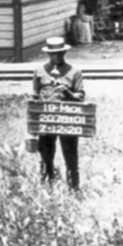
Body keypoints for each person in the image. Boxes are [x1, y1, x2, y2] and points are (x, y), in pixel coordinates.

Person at [32, 36, 85, 190]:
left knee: (70, 156)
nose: (57, 57)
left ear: (64, 53)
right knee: (46, 156)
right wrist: (33, 126)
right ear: (48, 54)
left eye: (60, 53)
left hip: (68, 121)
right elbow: (34, 97)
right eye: (53, 54)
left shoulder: (74, 72)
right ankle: (48, 187)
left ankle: (74, 188)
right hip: (46, 120)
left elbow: (80, 98)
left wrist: (67, 92)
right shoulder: (40, 71)